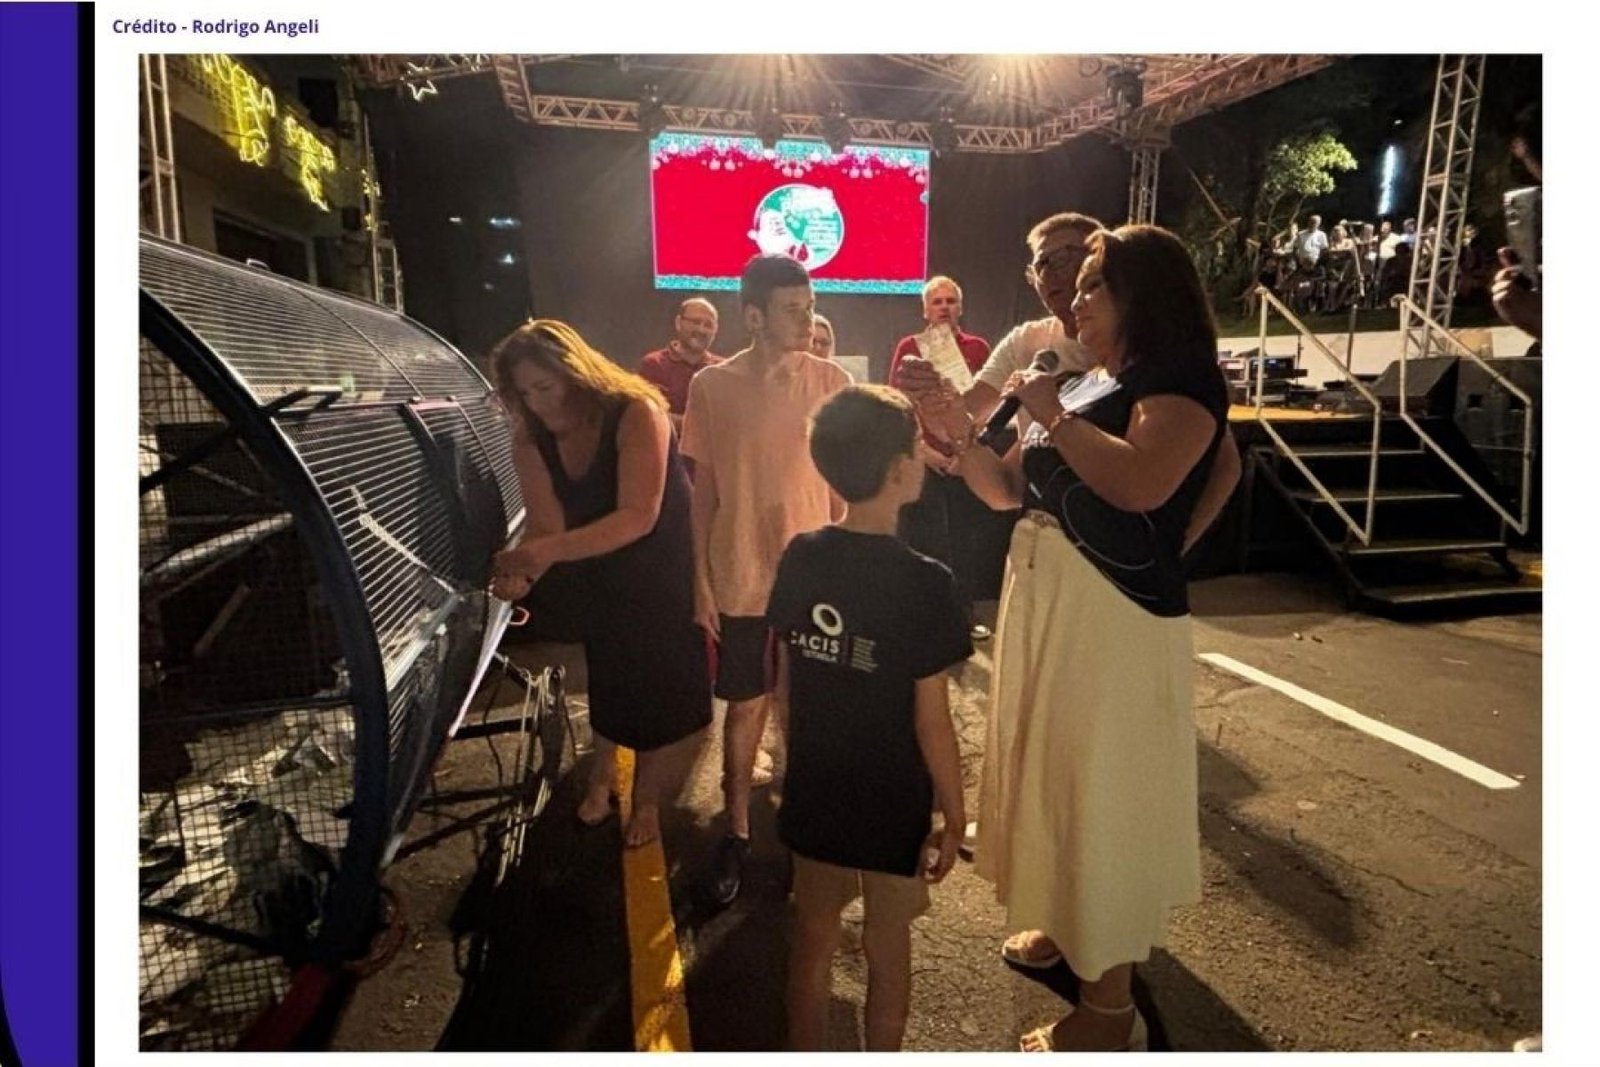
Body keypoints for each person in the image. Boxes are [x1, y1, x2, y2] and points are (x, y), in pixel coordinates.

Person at [918, 225, 1237, 1052]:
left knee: (1102, 794)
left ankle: (1109, 1008)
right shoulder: (1092, 380)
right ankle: (1069, 925)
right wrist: (956, 430)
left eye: (1094, 283)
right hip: (1052, 601)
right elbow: (1005, 491)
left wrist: (1161, 552)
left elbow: (1143, 480)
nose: (1077, 297)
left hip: (1112, 617)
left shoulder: (1175, 380)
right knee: (1055, 772)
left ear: (1143, 294)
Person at [771, 385, 970, 1051]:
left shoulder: (801, 555)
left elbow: (785, 681)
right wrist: (955, 811)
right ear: (900, 469)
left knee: (812, 938)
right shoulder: (926, 581)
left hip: (817, 787)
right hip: (893, 798)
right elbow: (932, 720)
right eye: (917, 447)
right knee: (888, 944)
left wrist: (793, 757)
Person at [489, 320, 712, 849]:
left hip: (659, 564)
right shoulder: (531, 435)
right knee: (610, 673)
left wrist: (542, 554)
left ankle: (647, 800)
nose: (537, 403)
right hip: (594, 561)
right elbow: (547, 524)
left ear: (576, 373)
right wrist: (523, 575)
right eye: (524, 393)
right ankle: (602, 773)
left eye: (545, 387)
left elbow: (638, 515)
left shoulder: (636, 410)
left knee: (656, 687)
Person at [682, 254, 852, 906]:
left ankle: (804, 833)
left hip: (816, 578)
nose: (807, 320)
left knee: (803, 706)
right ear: (753, 317)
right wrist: (699, 579)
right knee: (746, 704)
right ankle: (736, 829)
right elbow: (704, 492)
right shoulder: (711, 387)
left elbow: (845, 486)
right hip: (742, 571)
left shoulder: (833, 381)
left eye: (810, 307)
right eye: (792, 309)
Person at [888, 276, 993, 640]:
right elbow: (898, 403)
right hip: (925, 460)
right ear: (925, 310)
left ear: (960, 307)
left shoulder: (978, 348)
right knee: (926, 541)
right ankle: (925, 619)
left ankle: (963, 618)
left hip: (968, 460)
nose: (944, 307)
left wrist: (966, 451)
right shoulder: (909, 347)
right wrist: (926, 452)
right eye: (937, 302)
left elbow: (989, 404)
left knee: (965, 541)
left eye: (950, 301)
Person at [637, 297, 723, 433]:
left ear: (715, 331)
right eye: (696, 322)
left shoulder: (723, 369)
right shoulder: (653, 364)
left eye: (708, 325)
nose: (701, 330)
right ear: (678, 322)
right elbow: (647, 417)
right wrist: (701, 425)